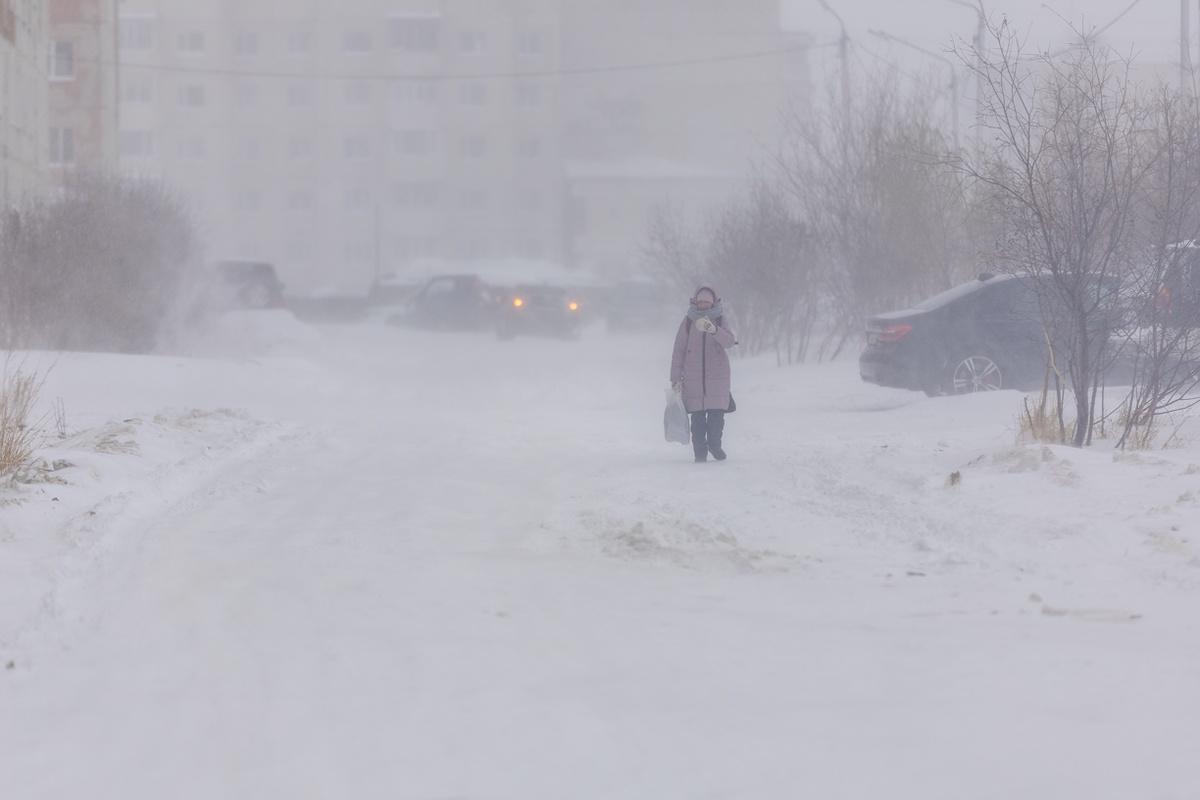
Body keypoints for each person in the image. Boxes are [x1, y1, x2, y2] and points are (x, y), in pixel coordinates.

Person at [669, 286, 737, 463]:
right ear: (696, 303)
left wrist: (714, 330)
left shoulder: (720, 319)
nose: (704, 305)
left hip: (718, 378)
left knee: (716, 417)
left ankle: (715, 446)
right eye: (701, 302)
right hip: (693, 379)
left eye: (707, 302)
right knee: (697, 420)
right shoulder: (688, 322)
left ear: (713, 303)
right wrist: (676, 379)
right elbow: (679, 351)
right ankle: (700, 452)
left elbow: (730, 341)